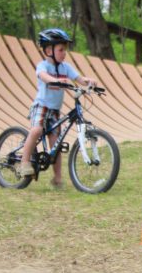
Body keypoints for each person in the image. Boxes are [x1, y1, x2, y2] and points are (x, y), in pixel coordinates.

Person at [18, 28, 97, 188]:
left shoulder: (65, 67)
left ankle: (57, 178)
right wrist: (53, 80)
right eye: (61, 49)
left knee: (56, 144)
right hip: (42, 106)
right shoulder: (43, 65)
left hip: (54, 110)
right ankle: (24, 162)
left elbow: (78, 78)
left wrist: (88, 82)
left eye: (65, 50)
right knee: (37, 130)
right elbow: (42, 76)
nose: (64, 53)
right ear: (49, 50)